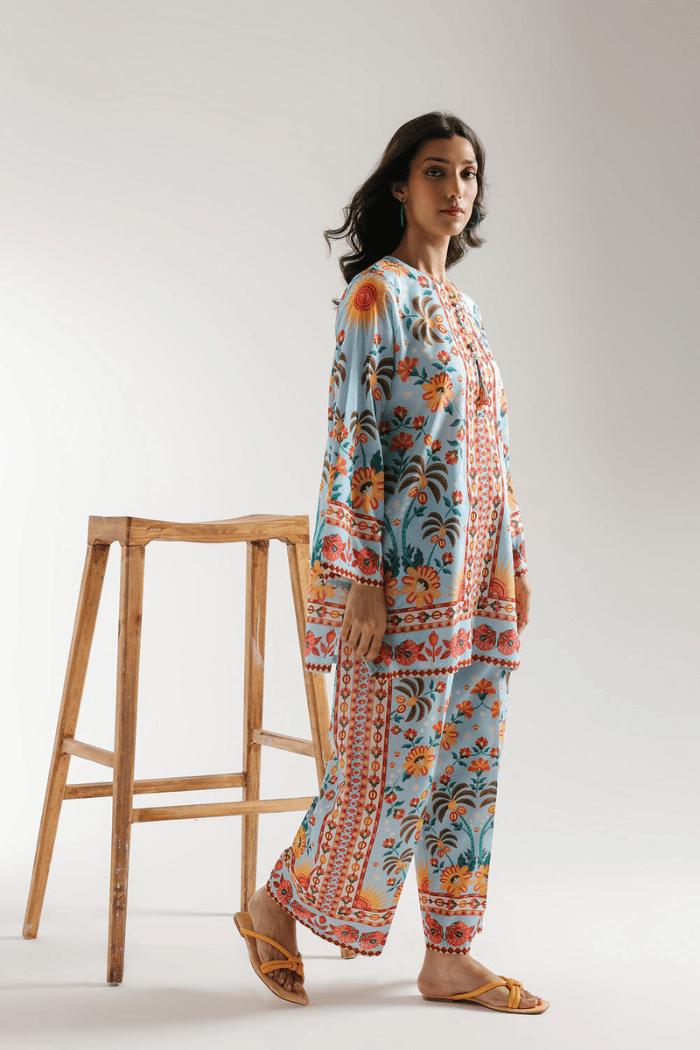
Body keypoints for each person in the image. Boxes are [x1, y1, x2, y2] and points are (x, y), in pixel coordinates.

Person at [234, 111, 549, 1014]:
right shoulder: (377, 295)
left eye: (469, 176)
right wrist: (360, 577)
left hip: (479, 577)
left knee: (466, 765)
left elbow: (490, 442)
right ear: (401, 187)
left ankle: (451, 953)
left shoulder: (467, 307)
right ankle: (276, 901)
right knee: (389, 764)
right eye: (438, 173)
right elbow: (354, 441)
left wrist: (515, 558)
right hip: (406, 577)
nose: (457, 191)